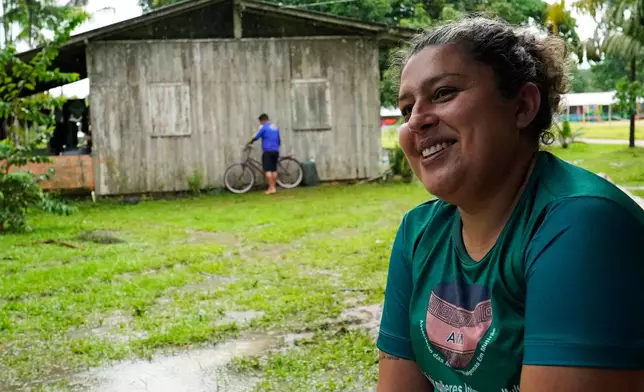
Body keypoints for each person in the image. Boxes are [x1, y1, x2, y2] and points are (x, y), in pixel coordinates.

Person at [376, 16, 644, 392]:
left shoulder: (583, 224)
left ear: (522, 106)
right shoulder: (418, 233)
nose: (416, 121)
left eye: (443, 93)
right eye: (406, 108)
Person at [248, 113, 281, 195]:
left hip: (268, 151)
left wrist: (250, 142)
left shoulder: (264, 128)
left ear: (262, 121)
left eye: (260, 122)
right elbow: (279, 139)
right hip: (275, 151)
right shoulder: (275, 127)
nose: (260, 124)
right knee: (274, 169)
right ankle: (273, 187)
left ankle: (272, 188)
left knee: (267, 170)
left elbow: (256, 137)